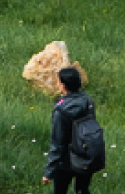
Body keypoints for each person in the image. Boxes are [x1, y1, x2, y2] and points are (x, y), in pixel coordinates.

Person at [43, 66, 102, 194]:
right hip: (86, 155)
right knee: (82, 190)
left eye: (59, 82)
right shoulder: (88, 102)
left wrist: (48, 172)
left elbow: (58, 143)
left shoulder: (61, 111)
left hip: (65, 162)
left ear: (63, 86)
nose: (58, 85)